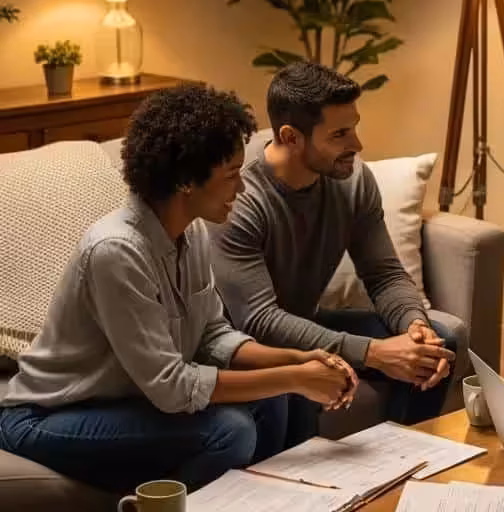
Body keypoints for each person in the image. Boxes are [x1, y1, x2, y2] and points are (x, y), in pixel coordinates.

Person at [0, 83, 357, 494]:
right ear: (187, 180)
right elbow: (172, 387)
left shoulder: (193, 233)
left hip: (129, 401)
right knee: (230, 431)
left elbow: (212, 335)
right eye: (230, 176)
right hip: (49, 417)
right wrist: (294, 377)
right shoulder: (116, 251)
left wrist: (296, 359)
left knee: (273, 401)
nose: (240, 189)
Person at [209, 61, 458, 447]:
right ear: (291, 137)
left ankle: (404, 461)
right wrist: (374, 353)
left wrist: (415, 327)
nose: (357, 145)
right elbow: (259, 319)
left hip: (304, 319)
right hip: (247, 345)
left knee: (438, 341)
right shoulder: (239, 196)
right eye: (340, 134)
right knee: (305, 375)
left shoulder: (353, 179)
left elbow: (385, 274)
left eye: (354, 127)